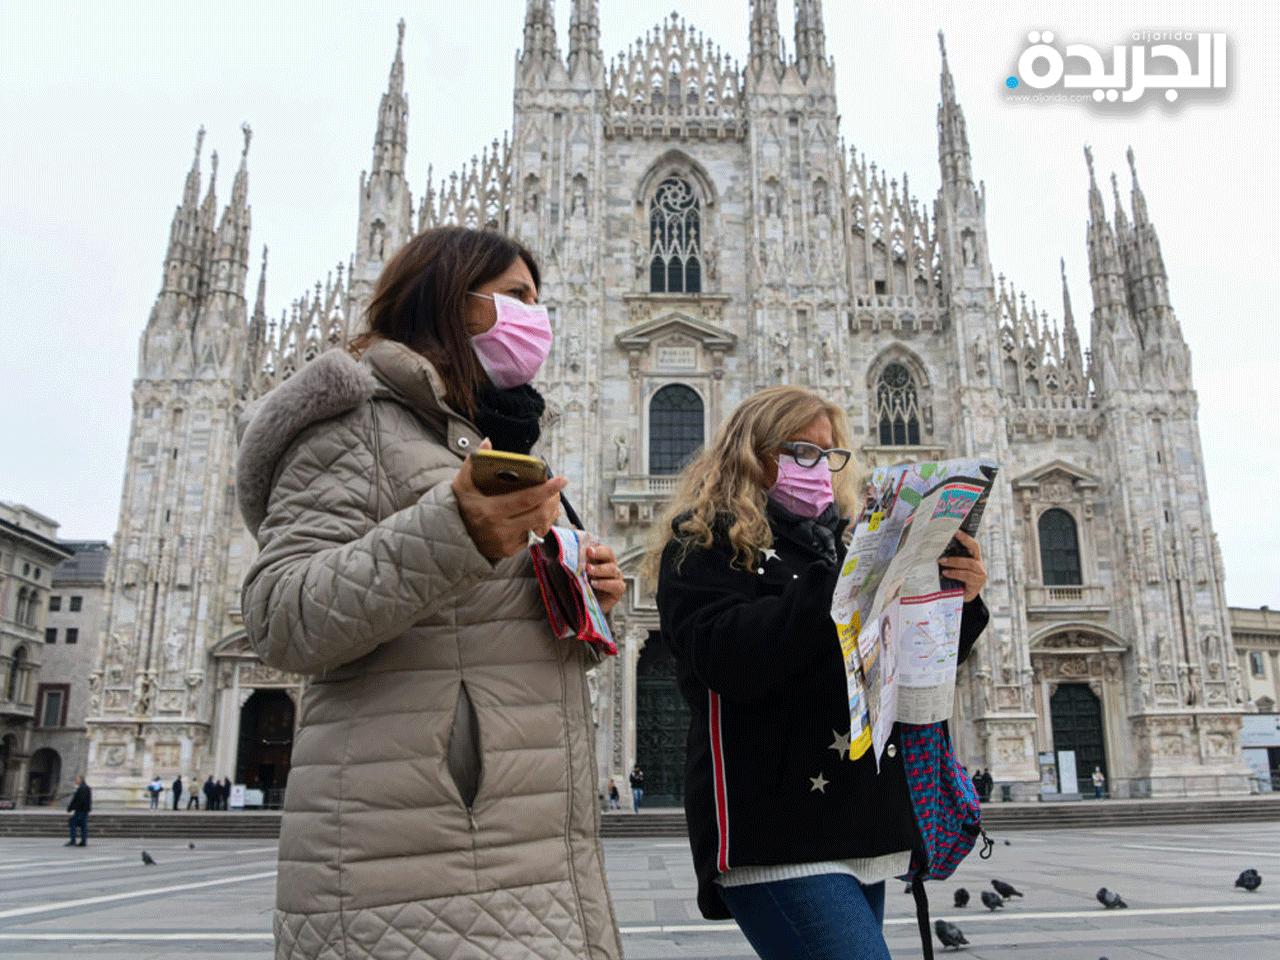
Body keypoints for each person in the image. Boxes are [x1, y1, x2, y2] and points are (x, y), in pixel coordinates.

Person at [236, 226, 625, 959]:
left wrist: (587, 598)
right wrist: (457, 533)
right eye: (516, 299)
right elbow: (279, 616)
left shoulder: (492, 439)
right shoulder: (356, 424)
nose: (535, 319)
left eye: (540, 303)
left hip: (532, 849)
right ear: (452, 301)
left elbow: (479, 630)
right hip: (411, 860)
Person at [652, 386, 990, 960]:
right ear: (755, 454)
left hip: (855, 820)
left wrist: (956, 599)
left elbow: (892, 670)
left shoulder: (835, 543)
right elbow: (726, 657)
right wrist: (846, 577)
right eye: (801, 451)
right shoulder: (701, 541)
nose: (820, 467)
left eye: (828, 454)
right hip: (775, 827)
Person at [65, 775, 91, 846]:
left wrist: (71, 808)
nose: (76, 781)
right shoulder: (87, 788)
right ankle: (83, 841)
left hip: (80, 810)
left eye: (77, 779)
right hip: (84, 810)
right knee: (83, 826)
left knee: (73, 824)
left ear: (80, 780)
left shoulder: (81, 788)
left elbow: (77, 800)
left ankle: (73, 840)